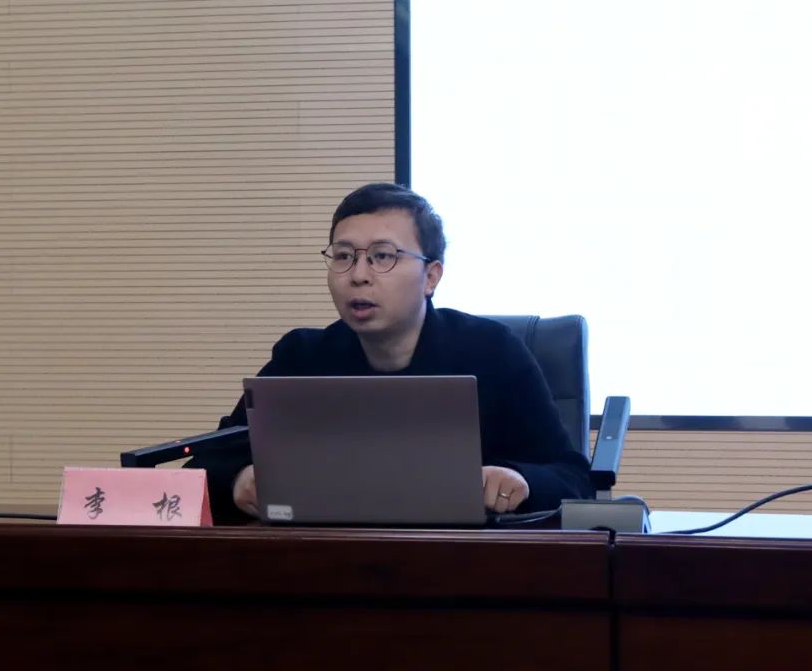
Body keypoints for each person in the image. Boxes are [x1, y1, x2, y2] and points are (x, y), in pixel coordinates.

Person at [187, 182, 594, 523]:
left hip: (464, 565)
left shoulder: (493, 352)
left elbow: (573, 479)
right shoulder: (302, 357)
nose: (358, 275)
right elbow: (205, 465)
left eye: (382, 256)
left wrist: (520, 481)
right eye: (343, 256)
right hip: (327, 564)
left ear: (431, 276)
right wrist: (237, 479)